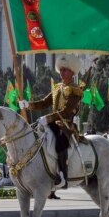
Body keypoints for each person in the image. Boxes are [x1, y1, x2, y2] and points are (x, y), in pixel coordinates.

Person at [19, 54, 83, 189]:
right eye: (61, 70)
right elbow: (44, 103)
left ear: (72, 72)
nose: (62, 72)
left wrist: (47, 118)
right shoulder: (57, 87)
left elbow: (66, 111)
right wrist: (28, 105)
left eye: (65, 70)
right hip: (52, 122)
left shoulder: (75, 90)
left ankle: (62, 175)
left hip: (65, 124)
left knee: (60, 142)